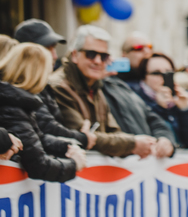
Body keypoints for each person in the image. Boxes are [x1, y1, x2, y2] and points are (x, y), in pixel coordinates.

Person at [48, 25, 157, 158]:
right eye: (91, 54)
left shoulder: (95, 85)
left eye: (104, 56)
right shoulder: (59, 86)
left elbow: (113, 131)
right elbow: (81, 137)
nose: (98, 61)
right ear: (75, 55)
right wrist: (132, 144)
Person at [0, 43, 86, 181]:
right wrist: (74, 164)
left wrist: (68, 146)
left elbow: (36, 138)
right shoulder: (12, 107)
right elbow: (38, 165)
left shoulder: (18, 101)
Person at [130, 53, 188, 149]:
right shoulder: (135, 99)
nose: (163, 77)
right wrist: (160, 108)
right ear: (144, 76)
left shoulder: (180, 97)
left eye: (168, 73)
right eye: (156, 73)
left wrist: (186, 110)